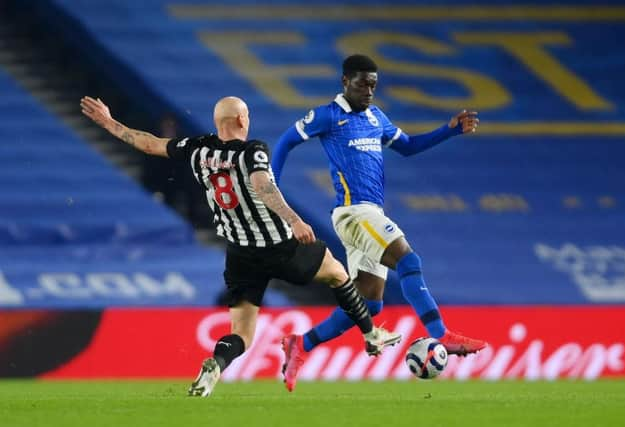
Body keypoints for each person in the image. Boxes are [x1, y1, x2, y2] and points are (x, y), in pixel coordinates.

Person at [80, 95, 401, 397]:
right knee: (338, 273)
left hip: (239, 254)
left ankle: (215, 366)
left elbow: (149, 144)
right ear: (239, 119)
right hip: (278, 245)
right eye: (246, 115)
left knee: (243, 334)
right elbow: (263, 186)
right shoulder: (253, 150)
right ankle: (372, 335)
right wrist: (293, 220)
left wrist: (110, 123)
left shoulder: (197, 149)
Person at [272, 54, 488, 391]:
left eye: (373, 84)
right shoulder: (328, 115)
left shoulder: (376, 117)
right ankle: (442, 335)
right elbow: (286, 141)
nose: (369, 91)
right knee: (409, 260)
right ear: (345, 82)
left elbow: (408, 146)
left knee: (369, 303)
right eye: (363, 84)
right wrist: (272, 187)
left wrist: (449, 131)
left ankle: (301, 344)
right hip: (354, 212)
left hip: (371, 214)